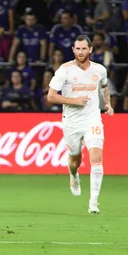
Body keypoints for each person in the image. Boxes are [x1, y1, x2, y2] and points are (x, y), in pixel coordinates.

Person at [47, 35, 114, 214]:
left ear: (90, 49)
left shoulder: (99, 70)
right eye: (78, 49)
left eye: (84, 48)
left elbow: (104, 86)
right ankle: (73, 175)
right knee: (75, 161)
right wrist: (73, 100)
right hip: (71, 121)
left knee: (97, 158)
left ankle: (93, 202)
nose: (81, 52)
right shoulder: (65, 70)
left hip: (93, 119)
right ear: (73, 50)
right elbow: (51, 96)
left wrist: (107, 104)